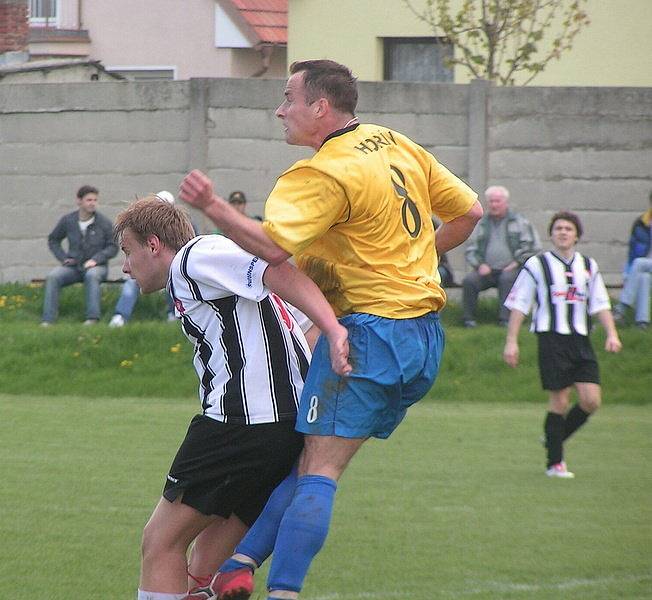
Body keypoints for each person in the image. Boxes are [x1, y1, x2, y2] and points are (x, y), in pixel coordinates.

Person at [179, 59, 482, 600]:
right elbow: (470, 213)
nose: (280, 109)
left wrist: (214, 208)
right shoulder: (395, 143)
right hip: (423, 338)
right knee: (315, 459)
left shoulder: (322, 172)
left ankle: (284, 592)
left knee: (320, 470)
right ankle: (238, 566)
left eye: (288, 98)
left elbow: (273, 249)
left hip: (370, 336)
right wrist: (412, 262)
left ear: (320, 107)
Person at [113, 195, 350, 600]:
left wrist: (333, 328)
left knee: (160, 543)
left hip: (239, 424)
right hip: (283, 432)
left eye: (127, 251)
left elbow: (278, 272)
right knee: (201, 573)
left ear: (153, 245)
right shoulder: (220, 277)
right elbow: (298, 321)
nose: (124, 265)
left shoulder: (196, 255)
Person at [503, 211, 622, 479]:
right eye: (558, 228)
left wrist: (612, 334)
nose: (563, 232)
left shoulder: (588, 266)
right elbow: (520, 304)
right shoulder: (537, 265)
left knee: (591, 400)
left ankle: (553, 437)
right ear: (551, 234)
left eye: (568, 228)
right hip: (551, 339)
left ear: (577, 234)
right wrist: (512, 342)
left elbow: (600, 303)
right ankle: (555, 463)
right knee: (560, 399)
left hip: (580, 339)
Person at [109, 192, 193, 327]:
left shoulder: (201, 259)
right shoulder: (191, 295)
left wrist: (211, 204)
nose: (125, 268)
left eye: (128, 253)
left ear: (153, 246)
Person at [462, 185, 541, 327]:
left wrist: (516, 262)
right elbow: (470, 248)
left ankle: (505, 320)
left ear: (506, 202)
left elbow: (532, 247)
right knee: (469, 281)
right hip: (486, 270)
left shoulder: (519, 221)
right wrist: (480, 264)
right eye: (491, 201)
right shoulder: (480, 223)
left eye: (498, 201)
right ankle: (468, 320)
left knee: (507, 279)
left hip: (512, 268)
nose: (494, 205)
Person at [41, 185, 117, 326]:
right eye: (89, 200)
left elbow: (113, 246)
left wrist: (96, 259)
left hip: (97, 267)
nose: (92, 203)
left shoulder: (104, 222)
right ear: (79, 201)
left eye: (95, 200)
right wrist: (63, 258)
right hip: (73, 267)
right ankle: (48, 320)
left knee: (91, 275)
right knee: (53, 276)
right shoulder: (68, 220)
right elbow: (53, 239)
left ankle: (92, 319)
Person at [612, 191, 652, 329]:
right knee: (643, 277)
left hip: (642, 264)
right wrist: (627, 274)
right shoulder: (641, 223)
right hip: (646, 268)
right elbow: (632, 252)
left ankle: (622, 307)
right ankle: (642, 322)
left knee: (639, 263)